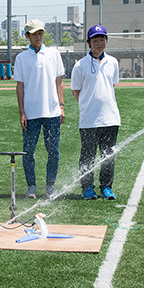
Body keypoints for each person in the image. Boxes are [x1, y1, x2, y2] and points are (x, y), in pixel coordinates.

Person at [13, 19, 66, 199]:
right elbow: (20, 86)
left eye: (41, 33)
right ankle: (32, 186)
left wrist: (61, 106)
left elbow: (59, 82)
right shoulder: (21, 58)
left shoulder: (53, 54)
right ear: (27, 36)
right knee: (28, 151)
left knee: (54, 151)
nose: (39, 36)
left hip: (52, 112)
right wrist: (22, 112)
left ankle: (50, 186)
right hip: (31, 113)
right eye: (35, 34)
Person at [70, 24, 121, 200]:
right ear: (88, 43)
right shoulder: (80, 65)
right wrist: (88, 106)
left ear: (106, 41)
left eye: (102, 39)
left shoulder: (113, 62)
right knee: (88, 156)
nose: (99, 43)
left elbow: (112, 85)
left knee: (108, 156)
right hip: (89, 120)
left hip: (110, 118)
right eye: (95, 40)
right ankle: (87, 187)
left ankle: (106, 187)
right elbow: (75, 90)